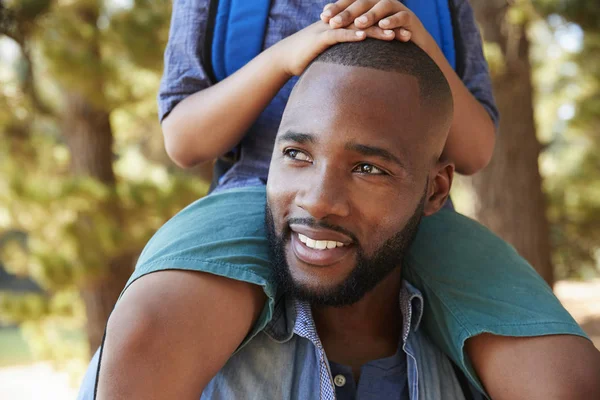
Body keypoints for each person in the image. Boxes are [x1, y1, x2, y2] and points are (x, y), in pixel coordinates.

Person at [82, 1, 600, 399]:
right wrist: (284, 59)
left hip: (403, 197)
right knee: (151, 328)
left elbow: (475, 149)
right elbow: (184, 139)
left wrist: (421, 42)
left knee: (561, 372)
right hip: (256, 190)